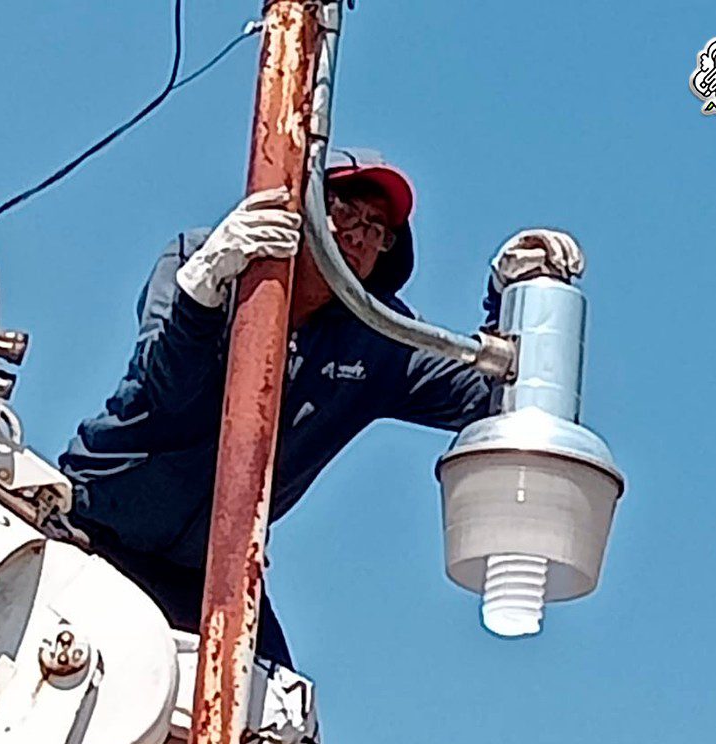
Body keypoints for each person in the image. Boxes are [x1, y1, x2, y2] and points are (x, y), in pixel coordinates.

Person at [58, 149, 583, 666]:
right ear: (304, 207)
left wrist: (517, 299)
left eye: (378, 228)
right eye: (344, 209)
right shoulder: (203, 261)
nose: (358, 233)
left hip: (207, 573)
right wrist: (203, 293)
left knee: (277, 734)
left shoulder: (379, 336)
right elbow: (167, 395)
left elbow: (493, 402)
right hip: (96, 525)